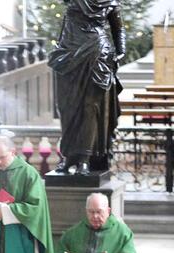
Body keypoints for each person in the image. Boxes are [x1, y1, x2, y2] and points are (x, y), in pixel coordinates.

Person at [48, 0, 124, 174]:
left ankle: (84, 158)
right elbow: (66, 25)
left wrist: (120, 52)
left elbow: (118, 29)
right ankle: (69, 157)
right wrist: (59, 48)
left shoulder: (109, 2)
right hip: (68, 54)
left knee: (91, 108)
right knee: (67, 108)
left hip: (96, 54)